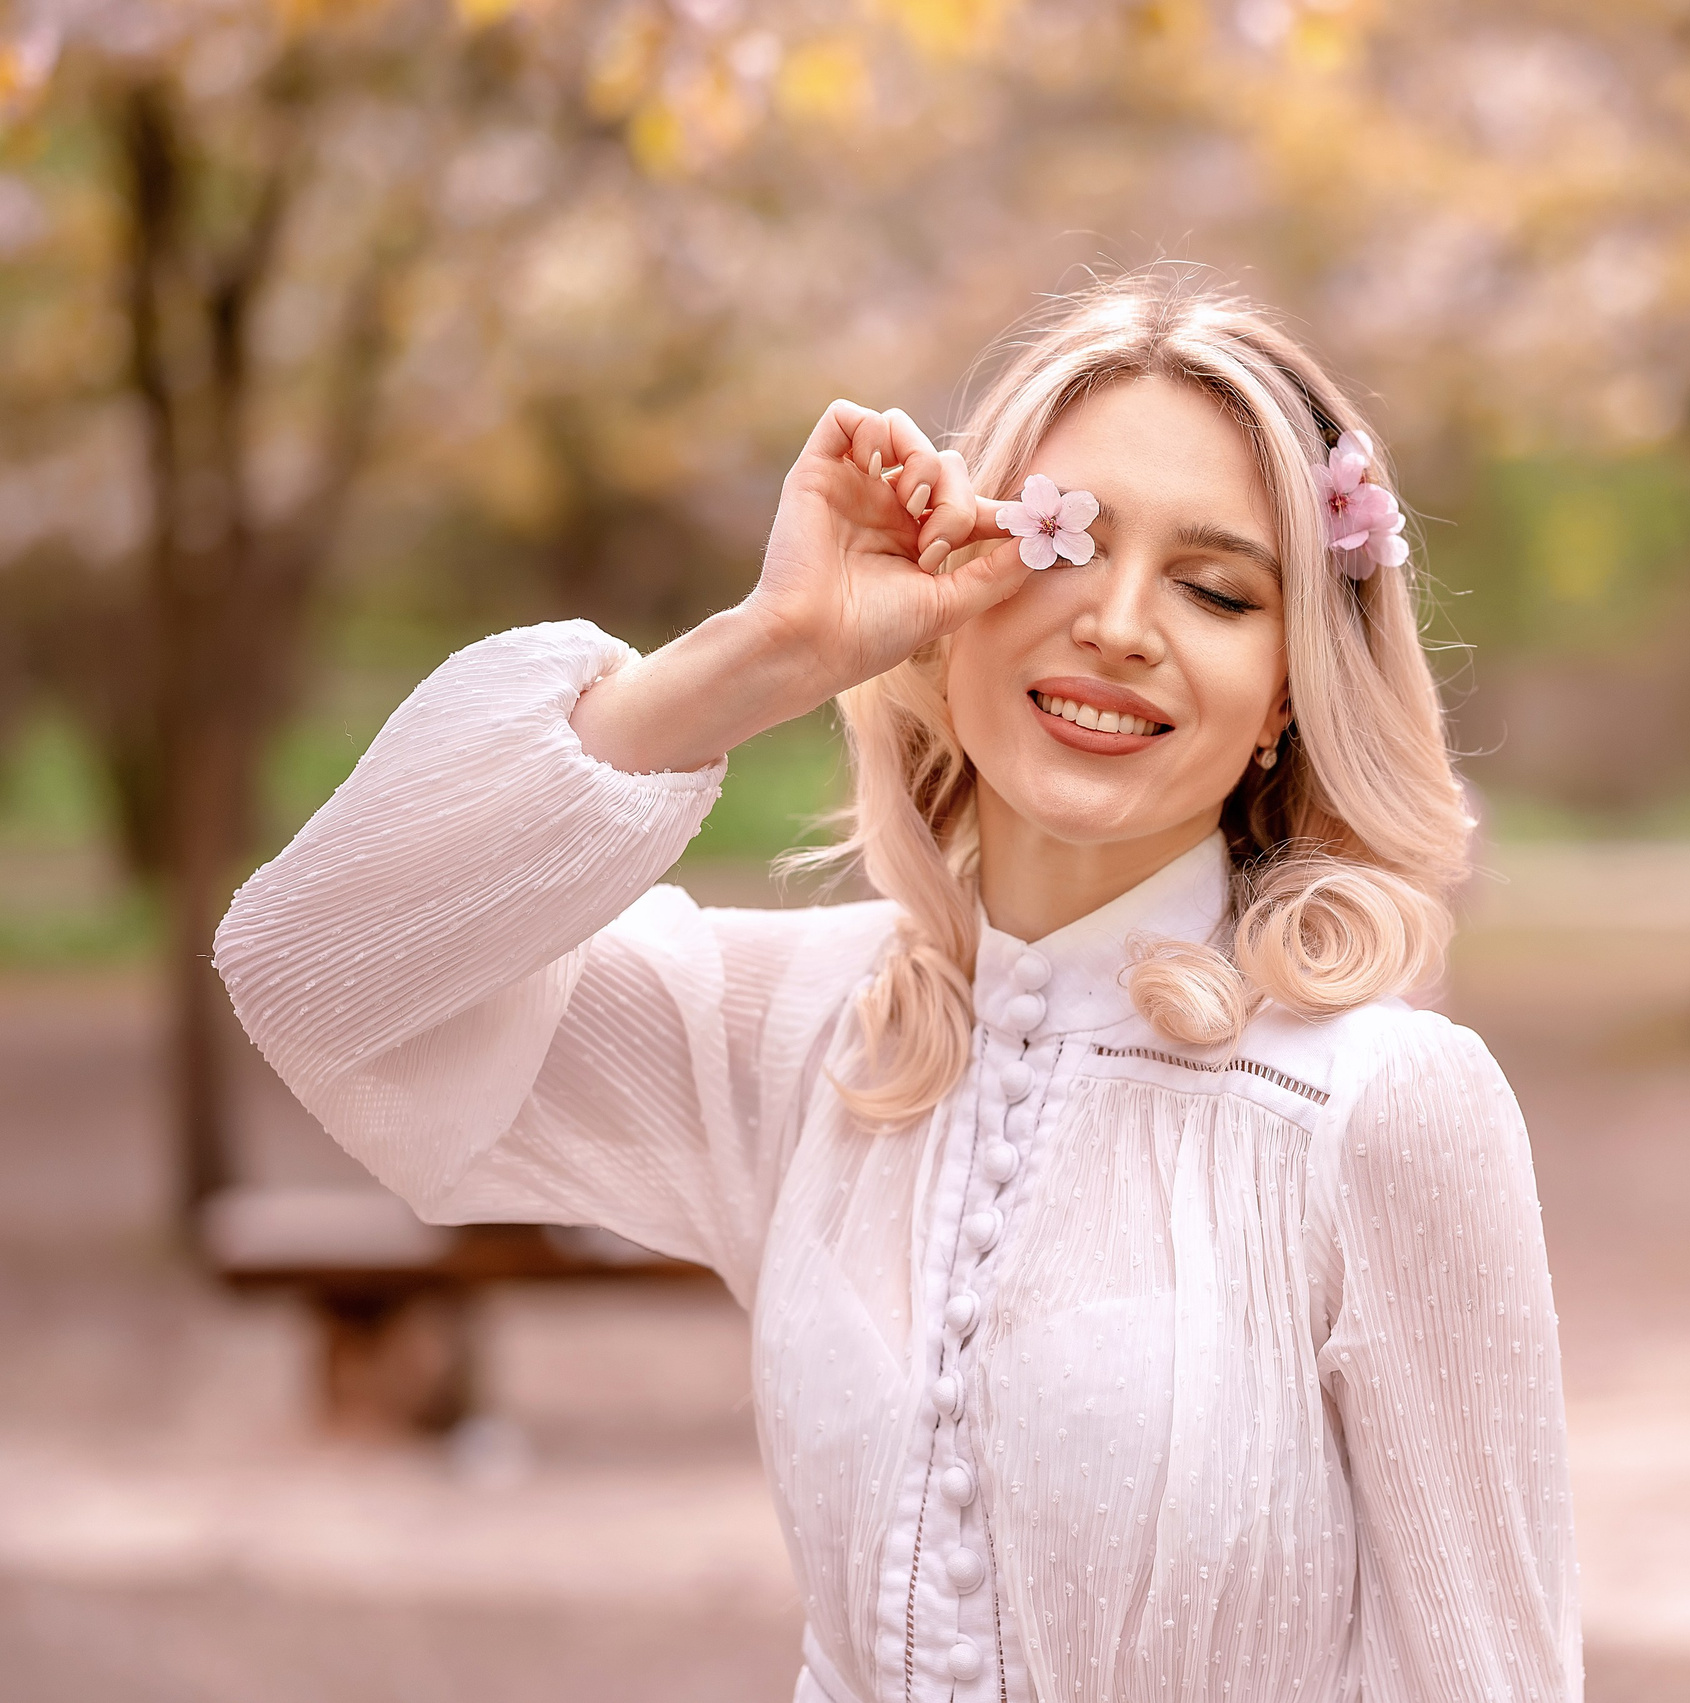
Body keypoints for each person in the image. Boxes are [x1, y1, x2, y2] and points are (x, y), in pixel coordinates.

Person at [214, 271, 1580, 1703]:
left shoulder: (1378, 1105)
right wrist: (773, 650)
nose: (1119, 623)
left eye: (1217, 587)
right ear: (956, 584)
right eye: (1063, 541)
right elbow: (317, 972)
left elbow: (1490, 1674)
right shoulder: (813, 1033)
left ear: (1285, 691)